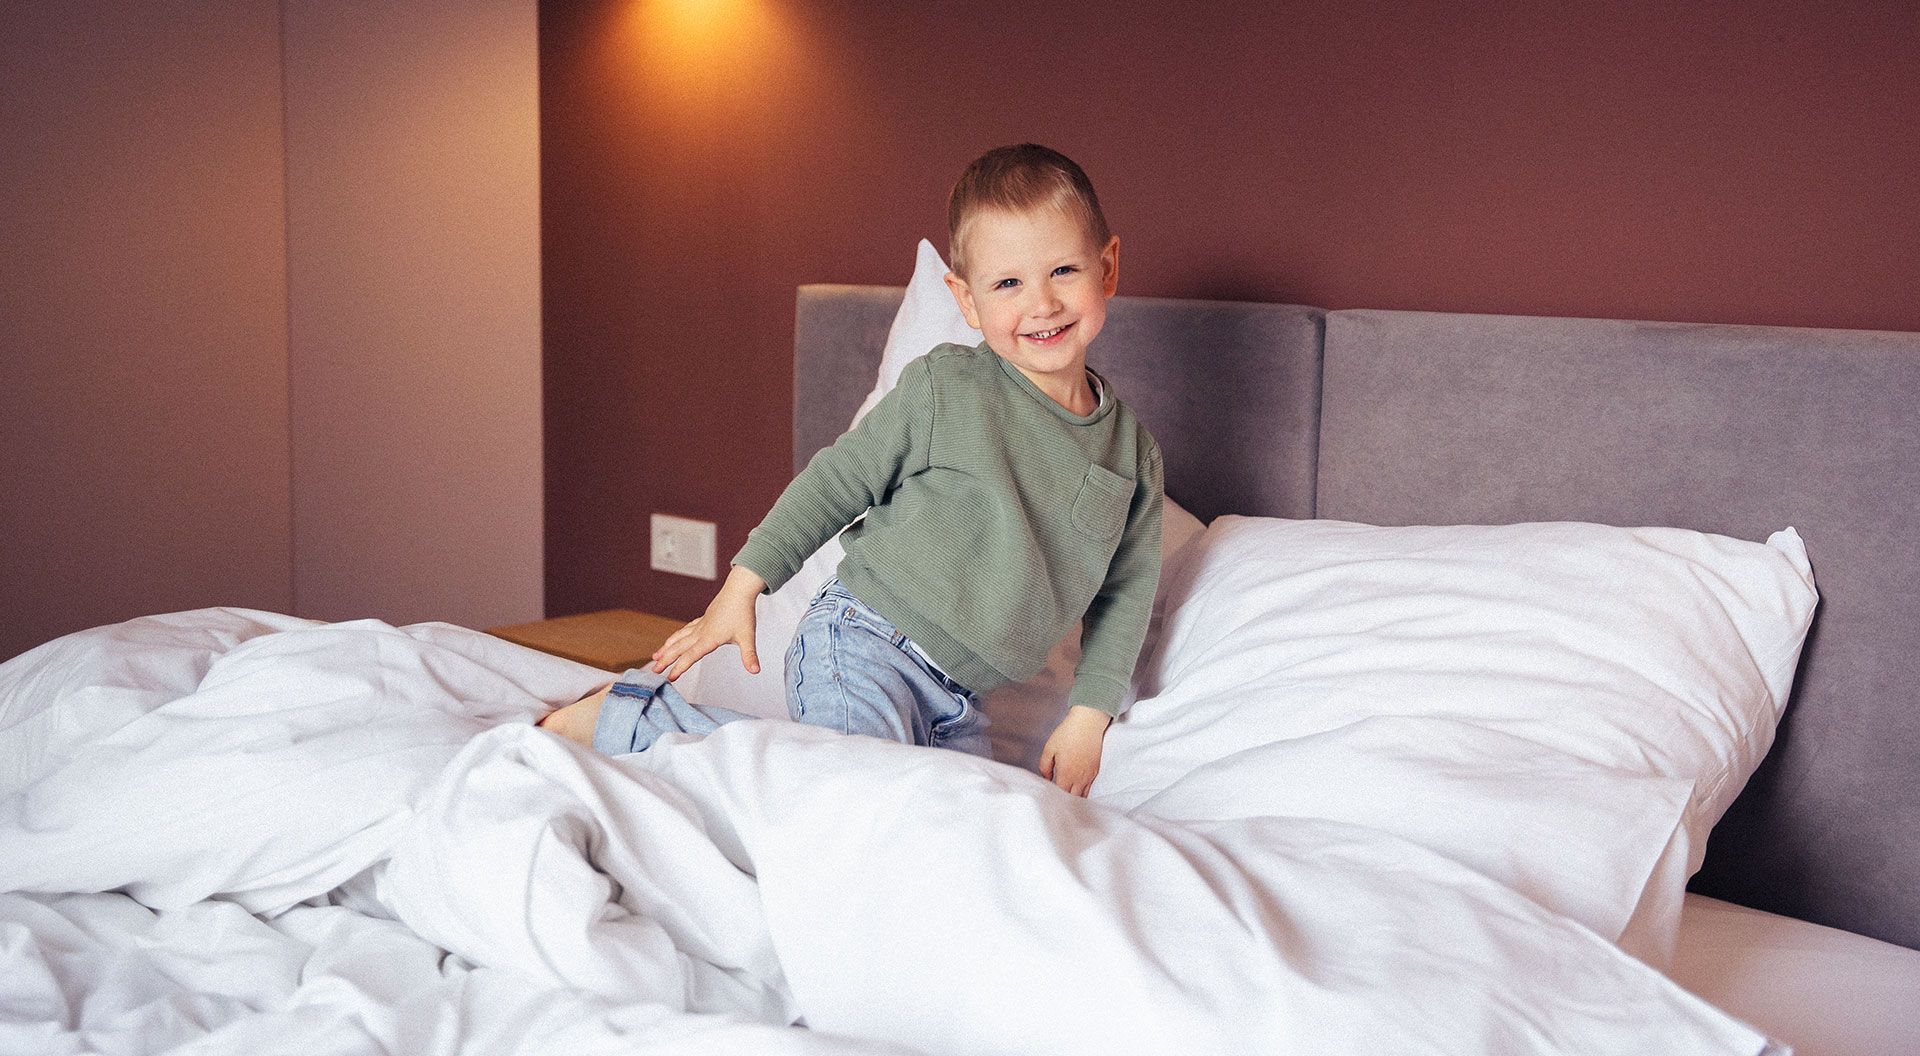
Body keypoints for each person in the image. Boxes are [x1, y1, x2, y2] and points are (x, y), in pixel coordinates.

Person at [541, 144, 1163, 797]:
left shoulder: (1132, 456)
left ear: (1108, 266)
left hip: (962, 700)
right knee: (855, 798)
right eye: (1008, 283)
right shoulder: (947, 387)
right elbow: (837, 481)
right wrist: (742, 587)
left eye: (1063, 270)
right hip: (865, 640)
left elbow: (1124, 598)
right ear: (968, 301)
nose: (1041, 303)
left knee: (967, 827)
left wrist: (1088, 718)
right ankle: (634, 719)